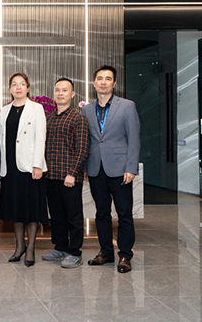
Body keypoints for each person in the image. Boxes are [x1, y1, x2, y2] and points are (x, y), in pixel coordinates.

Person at [83, 65, 140, 273]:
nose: (103, 82)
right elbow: (88, 141)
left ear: (114, 83)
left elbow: (134, 138)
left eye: (108, 79)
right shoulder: (87, 109)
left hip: (120, 169)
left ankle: (125, 254)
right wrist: (85, 168)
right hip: (96, 168)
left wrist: (131, 167)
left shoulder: (127, 106)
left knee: (124, 213)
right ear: (94, 83)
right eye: (100, 78)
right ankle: (106, 251)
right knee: (101, 213)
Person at [0, 72, 48, 267]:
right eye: (14, 84)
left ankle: (31, 249)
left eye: (22, 84)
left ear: (28, 88)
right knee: (16, 210)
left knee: (31, 211)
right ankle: (19, 246)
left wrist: (37, 164)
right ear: (9, 89)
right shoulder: (4, 111)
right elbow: (1, 140)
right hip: (10, 168)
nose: (18, 87)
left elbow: (40, 138)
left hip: (30, 168)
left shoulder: (36, 108)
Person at [42, 78, 89, 268]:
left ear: (72, 94)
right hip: (51, 175)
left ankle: (75, 252)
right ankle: (60, 247)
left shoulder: (78, 118)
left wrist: (73, 173)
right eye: (57, 90)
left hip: (69, 177)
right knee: (57, 216)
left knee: (74, 217)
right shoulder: (49, 118)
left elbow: (82, 149)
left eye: (64, 90)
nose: (60, 93)